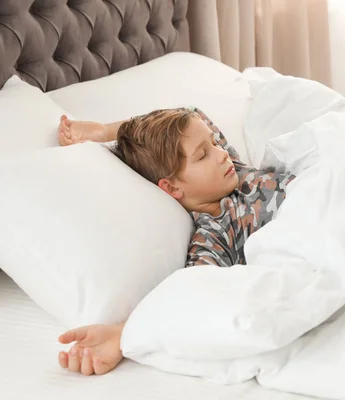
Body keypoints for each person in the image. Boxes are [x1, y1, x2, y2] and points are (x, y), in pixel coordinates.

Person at [55, 107, 295, 376]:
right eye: (203, 155)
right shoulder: (215, 232)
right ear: (171, 188)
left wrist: (104, 131)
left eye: (214, 143)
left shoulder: (233, 171)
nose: (222, 153)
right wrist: (123, 335)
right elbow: (191, 294)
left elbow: (188, 112)